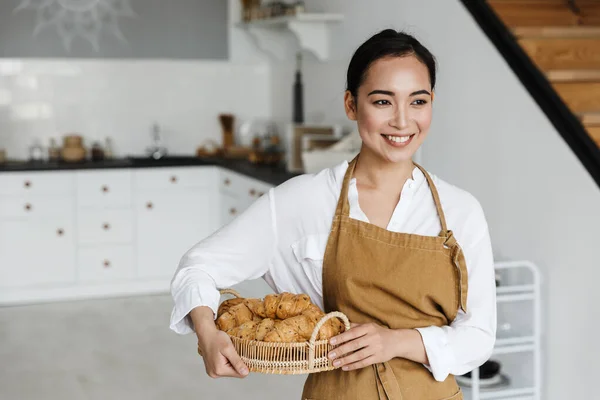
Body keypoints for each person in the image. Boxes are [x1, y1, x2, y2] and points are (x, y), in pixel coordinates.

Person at [169, 29, 496, 400]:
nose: (403, 121)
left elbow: (479, 336)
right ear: (351, 105)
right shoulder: (305, 200)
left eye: (417, 101)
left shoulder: (460, 211)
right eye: (383, 102)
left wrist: (396, 342)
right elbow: (197, 267)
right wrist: (207, 333)